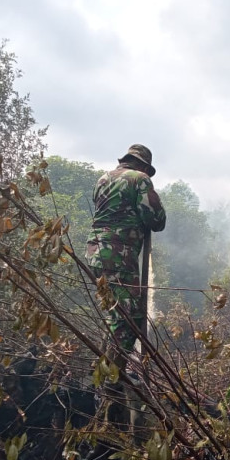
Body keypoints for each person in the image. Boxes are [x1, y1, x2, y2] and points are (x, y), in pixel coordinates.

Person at [86, 143, 166, 370]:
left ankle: (106, 371)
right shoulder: (139, 179)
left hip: (95, 252)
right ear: (143, 165)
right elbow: (156, 220)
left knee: (116, 313)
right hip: (118, 256)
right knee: (129, 319)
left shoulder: (102, 179)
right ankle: (113, 377)